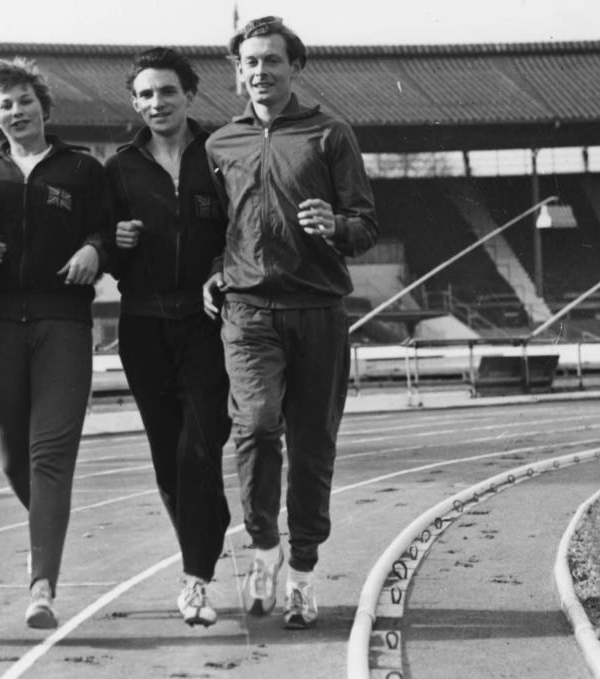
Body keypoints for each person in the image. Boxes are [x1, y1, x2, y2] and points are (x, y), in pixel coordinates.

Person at [203, 16, 379, 629]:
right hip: (248, 311)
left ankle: (302, 572)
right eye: (248, 62)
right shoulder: (220, 143)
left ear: (293, 66)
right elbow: (217, 228)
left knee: (311, 447)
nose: (258, 71)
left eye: (270, 61)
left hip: (318, 310)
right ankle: (263, 548)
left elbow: (365, 223)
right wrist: (215, 270)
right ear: (238, 70)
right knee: (253, 426)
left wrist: (336, 225)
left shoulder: (331, 134)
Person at [0, 57, 109, 630]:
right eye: (5, 104)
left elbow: (111, 226)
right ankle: (46, 532)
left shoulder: (81, 169)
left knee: (49, 457)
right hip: (0, 325)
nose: (17, 111)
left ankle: (42, 586)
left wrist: (96, 250)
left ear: (43, 107)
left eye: (25, 100)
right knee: (11, 459)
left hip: (65, 326)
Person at [104, 48, 231, 627]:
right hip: (143, 326)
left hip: (209, 322)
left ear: (190, 95)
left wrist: (224, 266)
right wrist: (113, 241)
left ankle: (195, 579)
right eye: (147, 95)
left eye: (168, 92)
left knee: (198, 448)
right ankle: (204, 546)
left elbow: (244, 226)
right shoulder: (119, 168)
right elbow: (95, 242)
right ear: (135, 102)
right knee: (167, 460)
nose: (157, 103)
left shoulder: (222, 153)